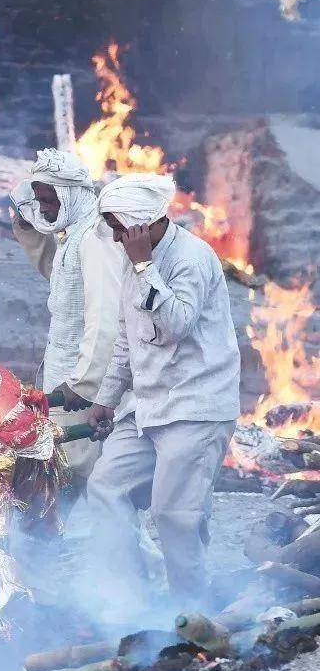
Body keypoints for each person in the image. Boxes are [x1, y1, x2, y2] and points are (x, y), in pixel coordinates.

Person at [85, 175, 240, 619]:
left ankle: (191, 615)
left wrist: (142, 266)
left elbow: (175, 325)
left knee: (176, 515)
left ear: (142, 224)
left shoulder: (192, 257)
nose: (115, 238)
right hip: (145, 407)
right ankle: (130, 603)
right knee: (106, 488)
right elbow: (127, 338)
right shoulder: (131, 258)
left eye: (120, 228)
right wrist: (106, 397)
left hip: (195, 406)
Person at [10, 148, 124, 483]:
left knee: (80, 473)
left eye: (48, 200)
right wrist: (29, 229)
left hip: (82, 385)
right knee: (63, 467)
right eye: (39, 200)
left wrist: (83, 383)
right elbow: (66, 283)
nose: (44, 208)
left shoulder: (96, 238)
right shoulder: (75, 235)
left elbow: (105, 316)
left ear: (69, 195)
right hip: (67, 375)